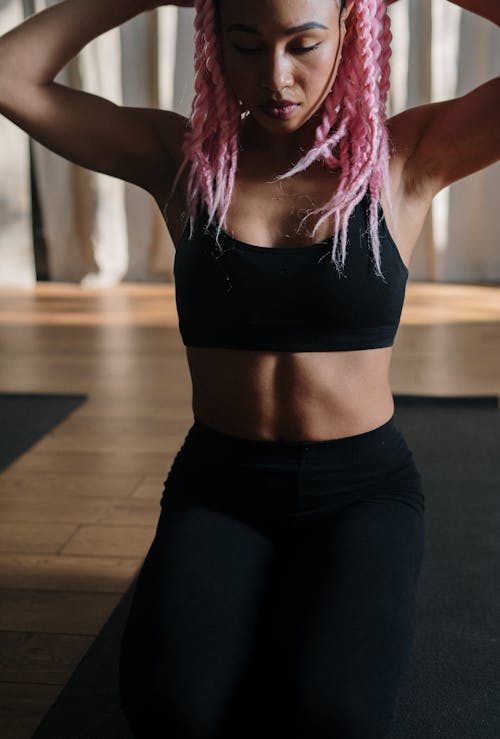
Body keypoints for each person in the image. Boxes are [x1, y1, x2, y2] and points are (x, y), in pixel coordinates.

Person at [1, 0, 498, 736]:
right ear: (213, 42)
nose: (276, 78)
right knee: (170, 710)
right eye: (244, 46)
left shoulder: (404, 157)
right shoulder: (184, 160)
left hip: (360, 492)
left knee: (337, 718)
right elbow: (11, 77)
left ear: (351, 34)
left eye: (304, 44)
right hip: (221, 484)